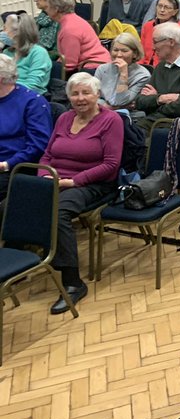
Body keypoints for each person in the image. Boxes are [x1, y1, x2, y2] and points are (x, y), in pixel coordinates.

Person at [37, 73, 124, 313]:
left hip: (93, 182)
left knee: (60, 212)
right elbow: (47, 154)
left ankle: (73, 283)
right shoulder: (64, 118)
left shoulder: (111, 120)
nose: (80, 98)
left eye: (86, 92)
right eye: (75, 93)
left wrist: (73, 181)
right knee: (11, 205)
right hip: (55, 179)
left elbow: (110, 165)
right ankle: (24, 265)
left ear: (98, 95)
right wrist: (43, 176)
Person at [135, 23, 180, 124]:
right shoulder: (161, 66)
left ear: (171, 42)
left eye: (155, 42)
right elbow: (139, 102)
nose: (153, 47)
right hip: (155, 121)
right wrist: (161, 98)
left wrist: (153, 102)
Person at [0, 54, 53, 177]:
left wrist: (7, 164)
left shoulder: (32, 103)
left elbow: (38, 145)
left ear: (1, 78)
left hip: (14, 168)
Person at [95, 32, 151, 108]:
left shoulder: (143, 76)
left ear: (135, 53)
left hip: (127, 115)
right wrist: (106, 106)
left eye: (124, 51)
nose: (119, 55)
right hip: (100, 110)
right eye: (115, 50)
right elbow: (92, 97)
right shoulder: (102, 69)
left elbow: (120, 101)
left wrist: (123, 74)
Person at [139, 0, 180, 68]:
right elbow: (141, 50)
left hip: (167, 67)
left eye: (167, 7)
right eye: (160, 6)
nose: (162, 10)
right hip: (145, 66)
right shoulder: (148, 26)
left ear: (175, 12)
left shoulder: (179, 28)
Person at [8, 12, 51, 94]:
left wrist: (6, 88)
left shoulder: (39, 53)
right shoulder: (7, 52)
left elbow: (33, 85)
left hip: (30, 97)